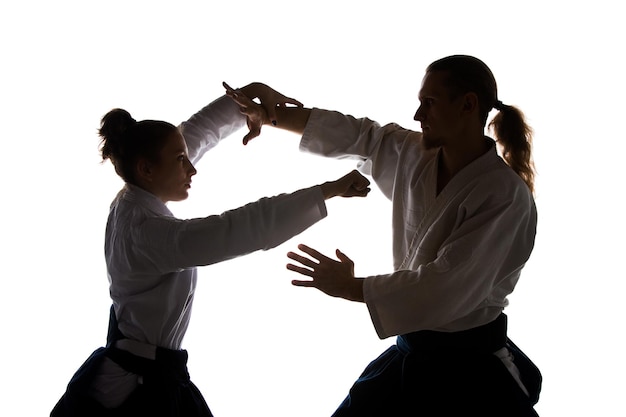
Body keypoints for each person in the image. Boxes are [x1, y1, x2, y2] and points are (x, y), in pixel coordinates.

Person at [225, 55, 542, 416]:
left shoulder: (503, 195)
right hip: (412, 351)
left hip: (470, 372)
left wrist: (352, 286)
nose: (418, 115)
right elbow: (365, 138)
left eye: (429, 103)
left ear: (468, 105)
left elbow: (446, 286)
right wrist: (272, 115)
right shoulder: (417, 155)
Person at [50, 84, 371, 417]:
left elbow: (198, 132)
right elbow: (240, 229)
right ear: (146, 169)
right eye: (180, 161)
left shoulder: (133, 197)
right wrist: (327, 191)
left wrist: (253, 96)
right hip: (135, 396)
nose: (192, 168)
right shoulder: (149, 234)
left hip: (150, 373)